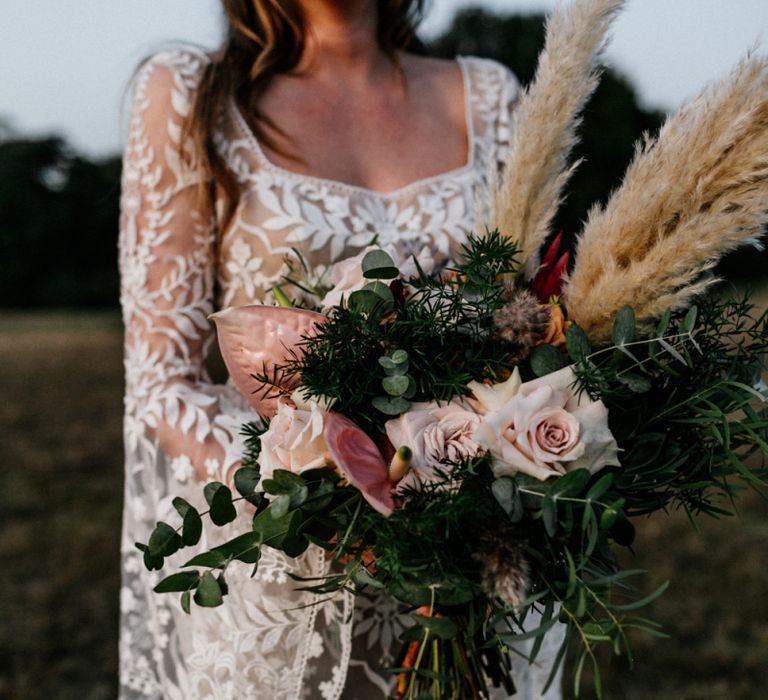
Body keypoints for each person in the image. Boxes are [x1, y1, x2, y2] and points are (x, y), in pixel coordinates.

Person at [118, 0, 564, 697]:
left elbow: (531, 327)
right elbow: (160, 383)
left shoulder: (491, 95)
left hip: (472, 561)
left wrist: (479, 468)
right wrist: (322, 487)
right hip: (288, 571)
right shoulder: (187, 93)